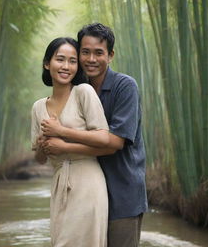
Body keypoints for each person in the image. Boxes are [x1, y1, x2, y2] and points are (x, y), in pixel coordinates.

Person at [41, 23, 148, 247]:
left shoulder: (125, 86)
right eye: (85, 52)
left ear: (110, 56)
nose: (91, 59)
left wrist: (62, 138)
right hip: (85, 194)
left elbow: (115, 143)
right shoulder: (77, 89)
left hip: (122, 193)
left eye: (99, 53)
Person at [31, 37, 109, 247]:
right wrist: (42, 144)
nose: (66, 66)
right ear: (47, 64)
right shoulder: (38, 107)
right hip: (59, 184)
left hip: (88, 181)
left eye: (73, 61)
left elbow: (103, 137)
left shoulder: (84, 92)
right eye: (60, 59)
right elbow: (39, 159)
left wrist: (61, 133)